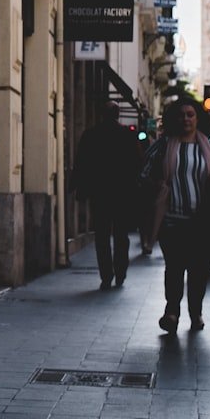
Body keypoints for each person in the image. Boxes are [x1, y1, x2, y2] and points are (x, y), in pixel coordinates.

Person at [140, 97, 210, 334]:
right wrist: (157, 184)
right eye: (181, 115)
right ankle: (171, 312)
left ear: (198, 118)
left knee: (198, 270)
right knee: (174, 267)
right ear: (174, 118)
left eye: (190, 114)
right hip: (171, 220)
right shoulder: (164, 146)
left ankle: (196, 312)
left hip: (202, 221)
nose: (186, 119)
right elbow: (145, 173)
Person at [73, 100, 144, 290]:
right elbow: (138, 163)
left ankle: (106, 275)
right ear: (118, 114)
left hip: (100, 193)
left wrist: (78, 187)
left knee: (102, 236)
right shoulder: (128, 135)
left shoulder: (91, 135)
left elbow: (82, 163)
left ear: (102, 114)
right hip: (122, 193)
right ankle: (120, 272)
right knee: (121, 235)